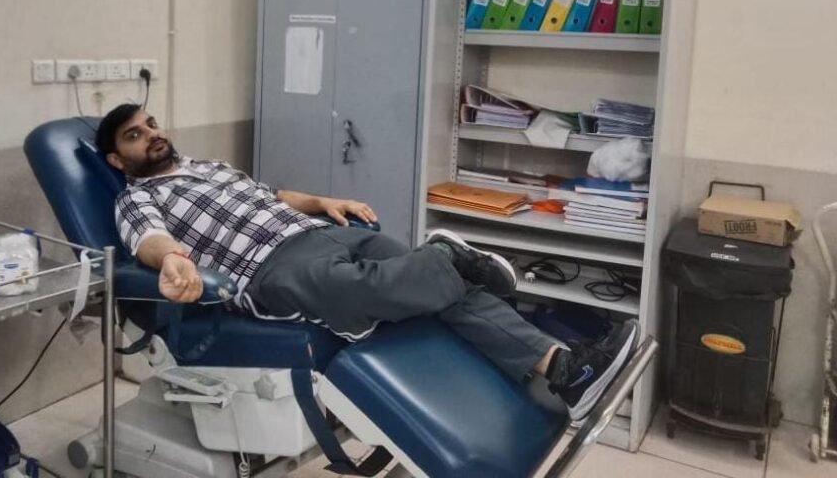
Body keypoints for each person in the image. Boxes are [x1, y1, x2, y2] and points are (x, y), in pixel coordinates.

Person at [97, 103, 638, 421]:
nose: (152, 134)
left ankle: (567, 371)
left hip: (316, 232)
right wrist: (173, 261)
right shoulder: (136, 198)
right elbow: (150, 239)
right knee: (377, 287)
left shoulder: (209, 166)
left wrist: (322, 202)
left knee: (436, 287)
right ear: (118, 159)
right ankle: (447, 258)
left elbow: (270, 194)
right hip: (268, 268)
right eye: (135, 135)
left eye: (152, 123)